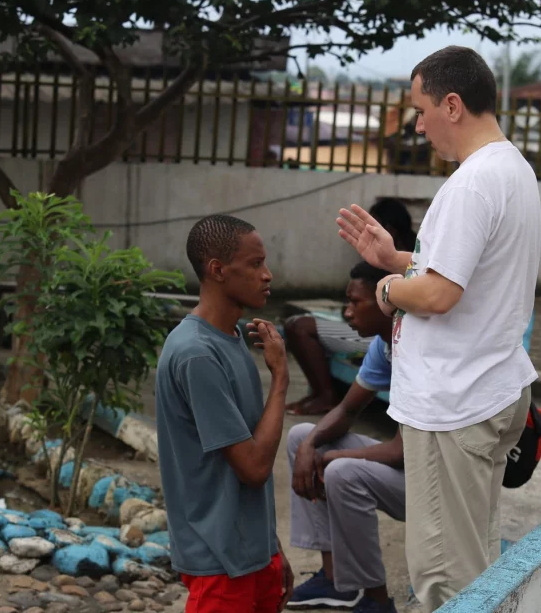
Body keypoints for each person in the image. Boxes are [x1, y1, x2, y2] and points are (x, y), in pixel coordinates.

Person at [336, 46, 541, 609]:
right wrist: (395, 257)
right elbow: (458, 274)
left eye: (421, 109)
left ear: (452, 104)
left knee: (446, 580)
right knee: (474, 561)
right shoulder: (511, 168)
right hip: (488, 389)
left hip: (457, 401)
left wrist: (384, 290)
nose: (418, 124)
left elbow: (438, 293)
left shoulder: (473, 182)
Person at [155, 214, 295, 613]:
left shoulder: (231, 338)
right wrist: (280, 378)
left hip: (252, 552)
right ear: (217, 270)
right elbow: (252, 467)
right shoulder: (196, 354)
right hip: (219, 564)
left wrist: (271, 547)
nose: (267, 275)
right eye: (255, 264)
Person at [285, 261, 403, 613]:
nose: (347, 313)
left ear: (387, 303)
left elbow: (401, 451)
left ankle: (376, 600)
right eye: (346, 303)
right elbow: (347, 410)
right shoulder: (384, 347)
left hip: (438, 484)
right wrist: (310, 446)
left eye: (356, 303)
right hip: (411, 469)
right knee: (302, 436)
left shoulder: (417, 352)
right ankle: (337, 580)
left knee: (342, 471)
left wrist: (335, 458)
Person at [284, 199, 417, 416]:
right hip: (378, 337)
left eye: (374, 223)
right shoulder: (390, 255)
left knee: (300, 327)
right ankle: (322, 395)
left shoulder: (407, 262)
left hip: (381, 336)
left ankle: (325, 396)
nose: (367, 230)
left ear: (390, 229)